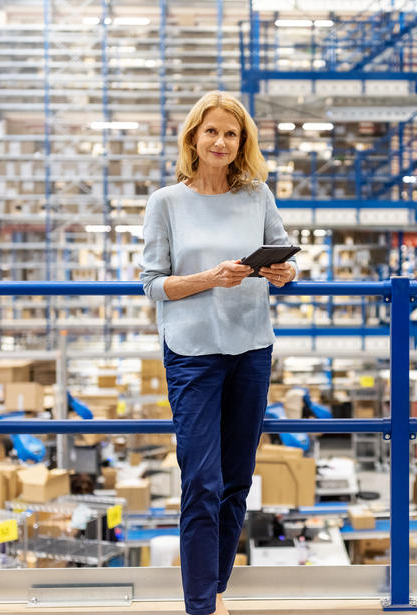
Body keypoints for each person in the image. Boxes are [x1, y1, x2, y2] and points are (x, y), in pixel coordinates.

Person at [140, 91, 297, 615]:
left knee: (236, 481)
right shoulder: (166, 202)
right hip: (192, 352)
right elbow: (153, 285)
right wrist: (210, 278)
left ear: (242, 142)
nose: (221, 142)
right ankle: (200, 605)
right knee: (201, 481)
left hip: (251, 347)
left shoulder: (258, 197)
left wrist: (283, 272)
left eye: (232, 134)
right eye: (212, 131)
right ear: (193, 137)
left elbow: (284, 257)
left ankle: (217, 586)